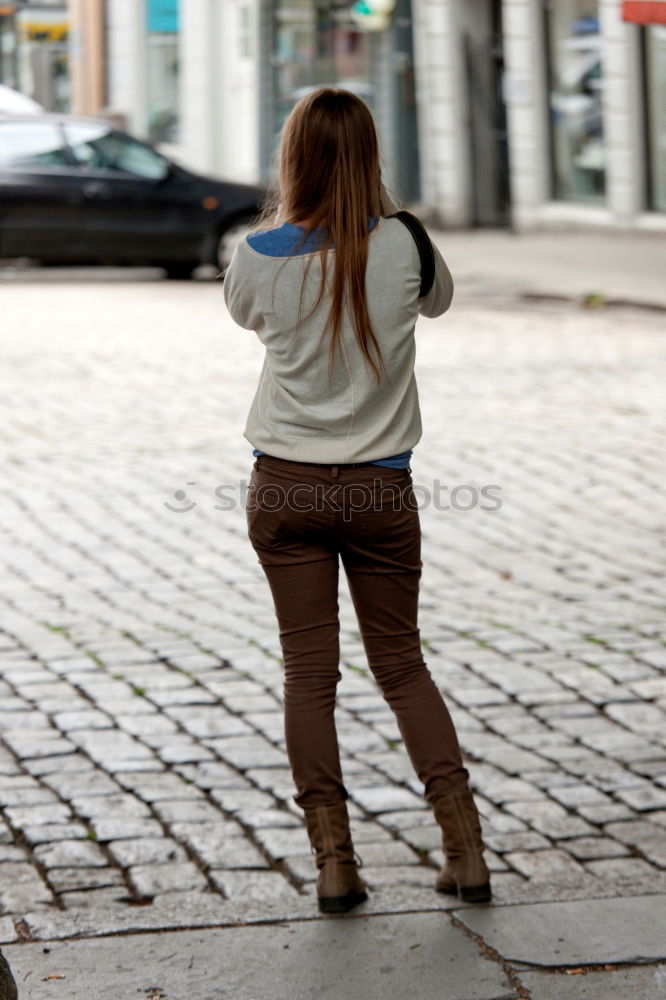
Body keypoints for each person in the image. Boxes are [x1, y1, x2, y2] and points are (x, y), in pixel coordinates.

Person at [222, 87, 491, 915]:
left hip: (287, 486)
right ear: (372, 156)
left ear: (293, 158)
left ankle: (336, 866)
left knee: (309, 675)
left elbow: (245, 316)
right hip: (382, 488)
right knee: (403, 665)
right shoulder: (406, 242)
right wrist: (379, 215)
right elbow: (438, 300)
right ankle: (467, 853)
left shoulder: (256, 254)